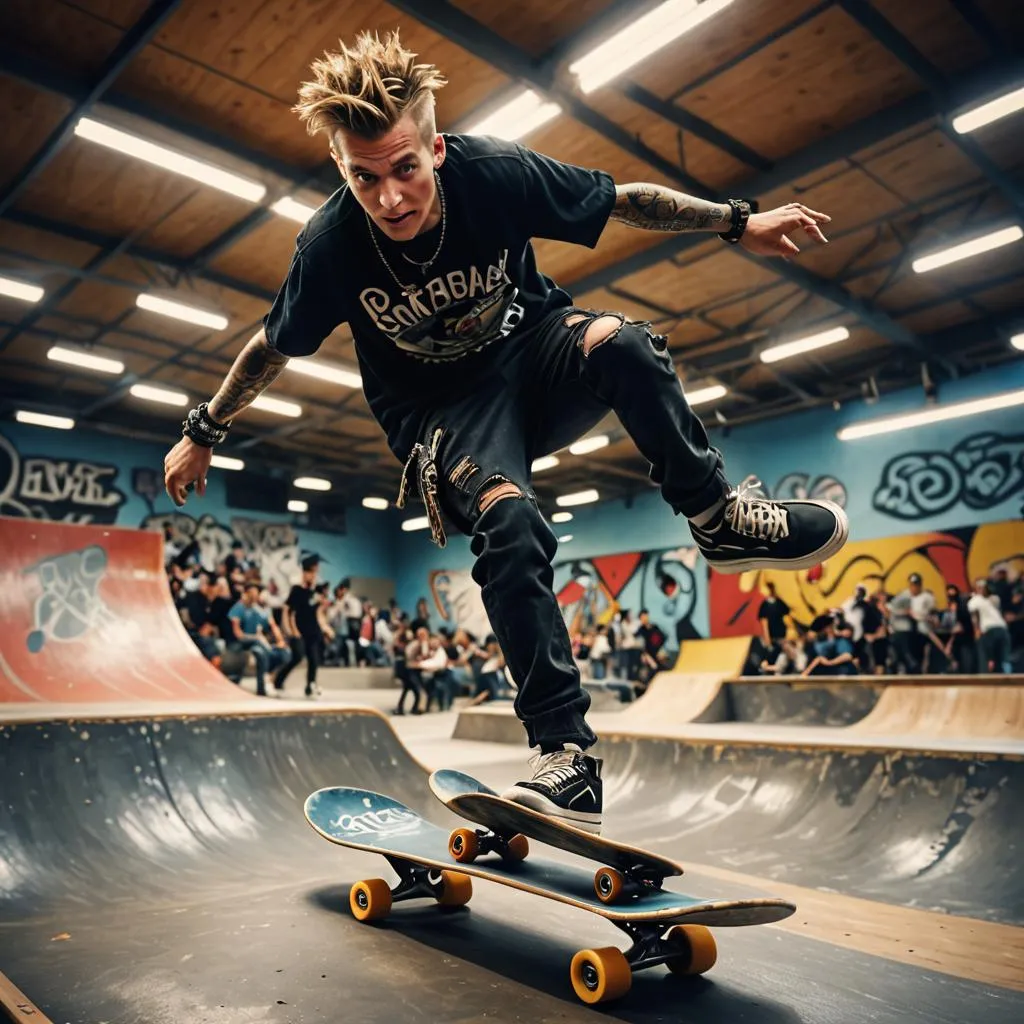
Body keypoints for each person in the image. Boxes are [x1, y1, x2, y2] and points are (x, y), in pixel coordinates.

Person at [161, 32, 848, 832]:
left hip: (537, 355)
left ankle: (718, 518)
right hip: (444, 414)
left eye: (406, 169)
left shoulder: (496, 175)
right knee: (510, 521)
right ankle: (565, 756)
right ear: (344, 172)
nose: (390, 200)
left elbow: (623, 199)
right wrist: (204, 428)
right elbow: (271, 346)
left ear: (437, 149)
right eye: (365, 178)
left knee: (622, 343)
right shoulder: (330, 247)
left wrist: (737, 222)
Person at [274, 554, 329, 697]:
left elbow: (317, 612)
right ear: (305, 573)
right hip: (299, 630)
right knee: (297, 657)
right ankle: (278, 680)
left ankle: (310, 686)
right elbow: (289, 611)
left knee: (313, 659)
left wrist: (325, 627)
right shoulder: (297, 590)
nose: (314, 575)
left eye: (316, 572)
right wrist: (292, 631)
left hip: (313, 630)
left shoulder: (314, 592)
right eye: (311, 572)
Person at [228, 581, 289, 696]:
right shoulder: (238, 607)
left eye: (256, 594)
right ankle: (265, 681)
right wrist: (257, 638)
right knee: (259, 645)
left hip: (257, 644)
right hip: (239, 643)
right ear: (245, 593)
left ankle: (263, 687)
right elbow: (238, 634)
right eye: (251, 593)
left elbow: (272, 625)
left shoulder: (258, 609)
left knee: (275, 653)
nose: (254, 596)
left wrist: (280, 640)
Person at [968, 579, 1012, 674]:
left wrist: (976, 630)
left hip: (991, 630)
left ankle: (993, 679)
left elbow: (975, 617)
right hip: (1001, 629)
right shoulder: (991, 599)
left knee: (989, 658)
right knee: (1001, 659)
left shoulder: (976, 600)